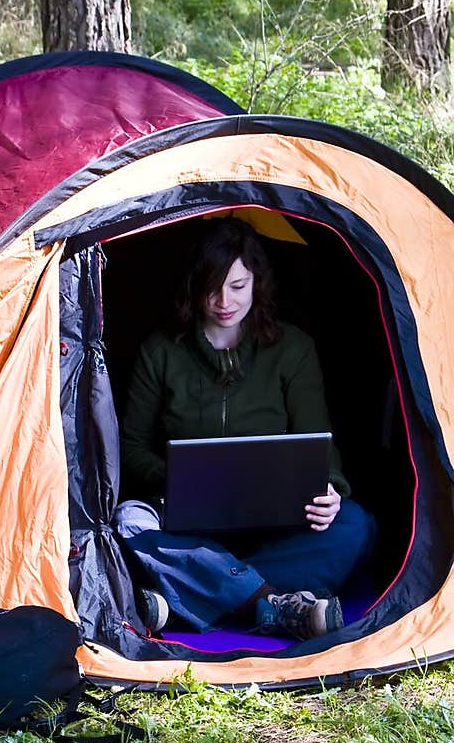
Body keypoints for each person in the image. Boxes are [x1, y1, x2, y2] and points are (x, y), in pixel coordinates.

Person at [114, 216, 377, 641]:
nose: (224, 301)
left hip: (275, 524)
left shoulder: (292, 349)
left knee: (355, 525)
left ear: (257, 282)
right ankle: (273, 604)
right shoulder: (161, 351)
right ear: (194, 286)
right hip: (189, 527)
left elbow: (318, 442)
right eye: (212, 287)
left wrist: (329, 487)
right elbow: (132, 446)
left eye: (237, 286)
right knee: (129, 521)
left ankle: (191, 596)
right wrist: (179, 479)